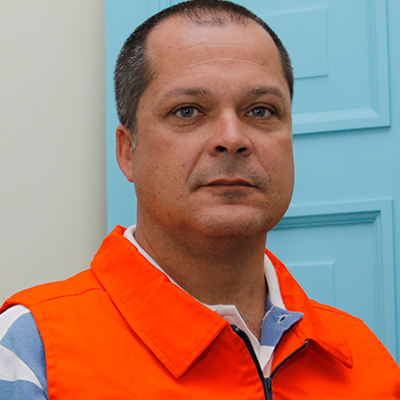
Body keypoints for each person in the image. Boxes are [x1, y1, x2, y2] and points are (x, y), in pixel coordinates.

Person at [1, 0, 399, 398]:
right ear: (127, 152)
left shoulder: (369, 363)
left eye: (261, 111)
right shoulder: (33, 351)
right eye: (187, 111)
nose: (232, 138)